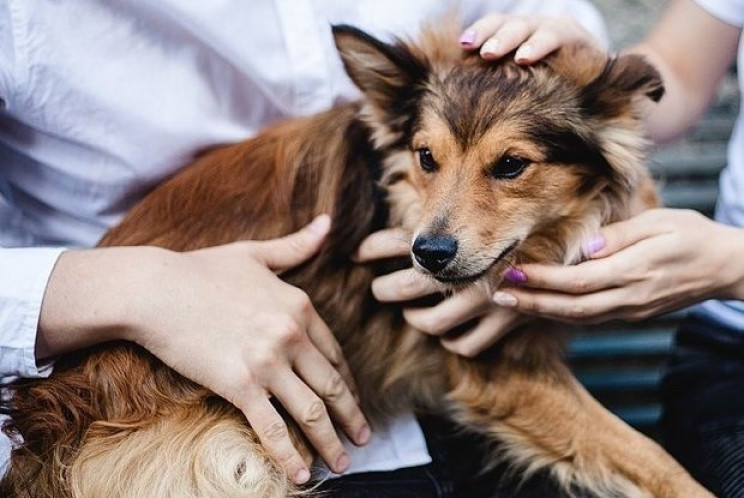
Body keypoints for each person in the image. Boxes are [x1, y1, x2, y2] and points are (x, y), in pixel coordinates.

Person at [0, 1, 608, 496]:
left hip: (439, 401)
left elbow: (597, 83)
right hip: (142, 412)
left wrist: (571, 43)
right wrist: (144, 291)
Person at [361, 0, 742, 495]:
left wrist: (730, 264)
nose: (436, 233)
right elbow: (675, 76)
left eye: (510, 165)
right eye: (428, 158)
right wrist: (583, 61)